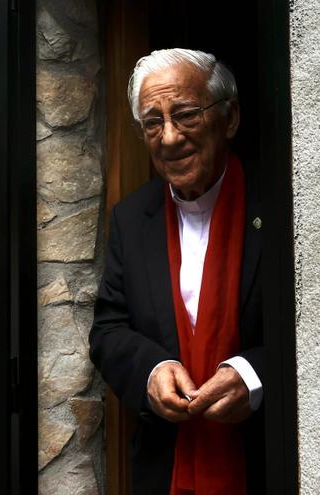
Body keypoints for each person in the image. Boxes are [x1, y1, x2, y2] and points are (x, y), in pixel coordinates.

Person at [90, 49, 265, 494]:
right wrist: (153, 370)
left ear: (229, 118)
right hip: (163, 468)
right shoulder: (132, 220)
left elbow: (318, 327)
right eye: (152, 122)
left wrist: (253, 375)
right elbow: (108, 330)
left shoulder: (278, 207)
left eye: (186, 114)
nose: (168, 138)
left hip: (264, 460)